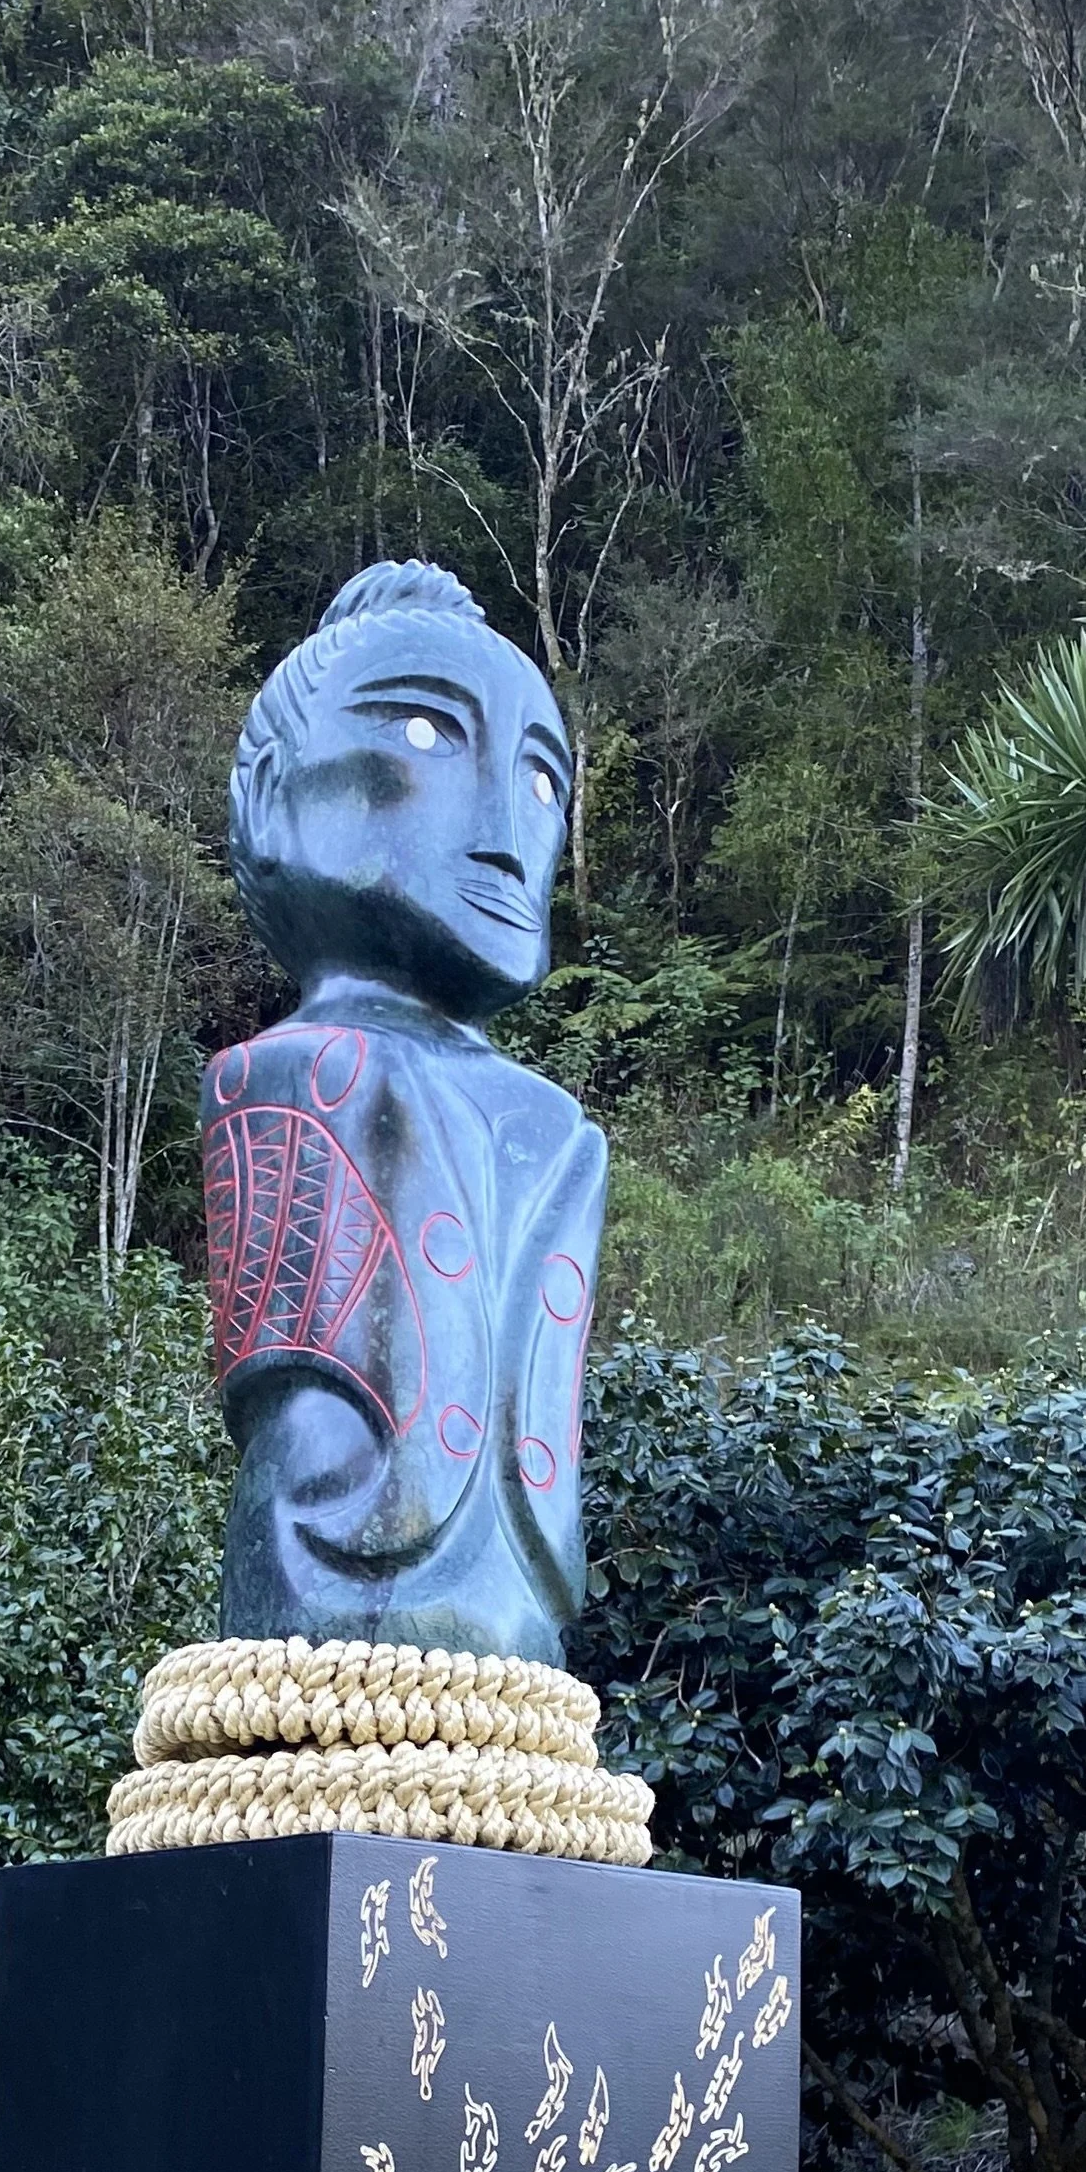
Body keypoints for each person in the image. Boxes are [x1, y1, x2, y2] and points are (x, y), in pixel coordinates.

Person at [205, 559, 606, 1665]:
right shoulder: (287, 1072)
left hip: (518, 1642)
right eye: (427, 736)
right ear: (273, 794)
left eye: (541, 780)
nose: (505, 831)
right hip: (325, 1607)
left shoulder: (557, 1128)